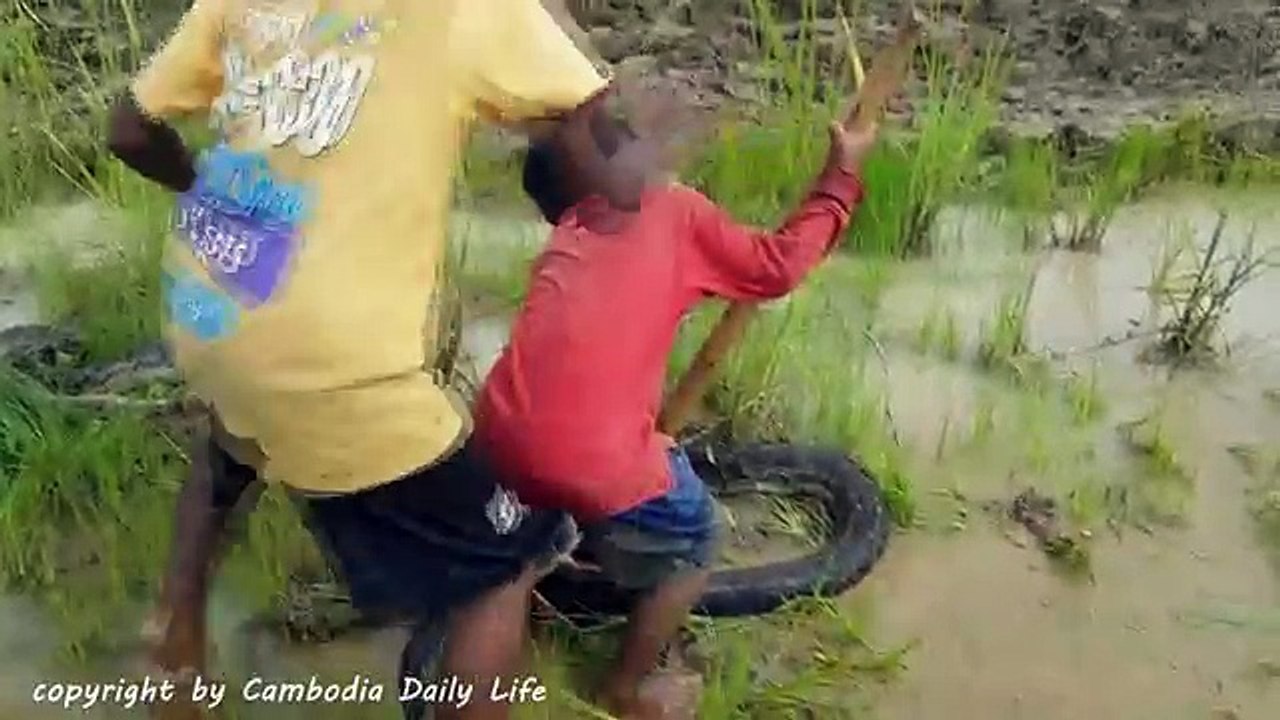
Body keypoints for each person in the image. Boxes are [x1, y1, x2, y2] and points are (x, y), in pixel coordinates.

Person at [105, 0, 650, 715]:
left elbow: (128, 129)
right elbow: (599, 175)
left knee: (235, 434)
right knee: (505, 562)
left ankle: (174, 640)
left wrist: (202, 189)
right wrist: (598, 83)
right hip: (339, 359)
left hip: (214, 308)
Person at [470, 107, 878, 718]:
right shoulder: (672, 208)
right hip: (591, 456)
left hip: (497, 434)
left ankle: (520, 626)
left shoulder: (567, 236)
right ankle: (626, 689)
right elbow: (777, 266)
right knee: (696, 536)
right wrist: (839, 179)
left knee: (521, 548)